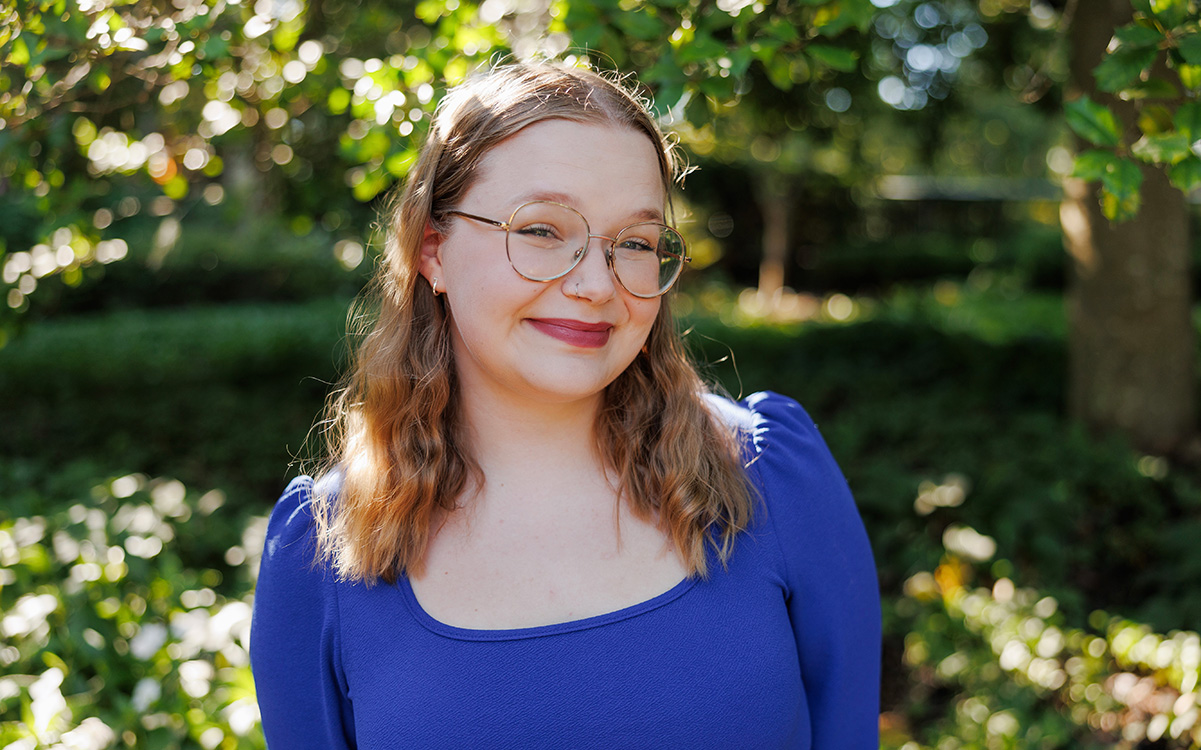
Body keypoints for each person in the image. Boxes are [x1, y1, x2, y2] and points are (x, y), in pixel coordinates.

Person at [249, 60, 881, 749]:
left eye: (634, 243)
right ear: (433, 248)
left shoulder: (771, 476)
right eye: (542, 230)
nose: (594, 284)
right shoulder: (323, 549)